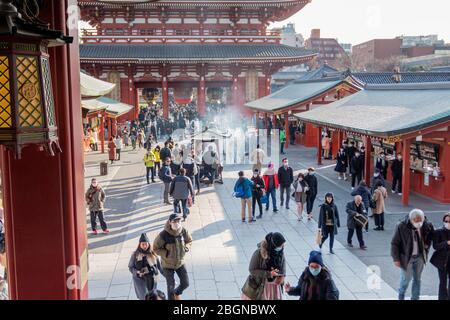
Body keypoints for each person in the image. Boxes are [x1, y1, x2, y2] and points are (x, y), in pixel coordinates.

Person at [391, 209, 434, 300]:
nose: (419, 223)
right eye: (416, 221)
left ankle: (415, 298)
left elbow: (431, 236)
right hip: (407, 257)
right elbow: (395, 243)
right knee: (406, 279)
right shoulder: (401, 226)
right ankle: (401, 294)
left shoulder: (426, 225)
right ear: (411, 219)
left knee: (417, 279)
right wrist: (396, 259)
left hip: (420, 256)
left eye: (420, 220)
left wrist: (427, 246)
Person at [153, 213, 193, 300]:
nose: (176, 223)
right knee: (170, 286)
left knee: (185, 283)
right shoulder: (163, 235)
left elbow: (189, 240)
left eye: (178, 221)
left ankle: (176, 293)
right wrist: (166, 253)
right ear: (170, 222)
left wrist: (187, 247)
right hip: (167, 264)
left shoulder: (183, 231)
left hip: (180, 262)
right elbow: (155, 248)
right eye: (174, 221)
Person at [241, 232, 286, 300]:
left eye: (282, 245)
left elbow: (283, 264)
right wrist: (269, 274)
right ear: (273, 245)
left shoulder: (280, 252)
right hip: (261, 286)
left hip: (275, 287)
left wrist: (283, 276)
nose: (281, 248)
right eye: (280, 246)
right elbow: (252, 270)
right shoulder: (258, 253)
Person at [128, 233, 164, 300]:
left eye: (146, 244)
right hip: (140, 280)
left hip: (152, 279)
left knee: (153, 296)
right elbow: (130, 267)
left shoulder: (153, 254)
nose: (145, 246)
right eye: (143, 244)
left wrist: (168, 276)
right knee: (143, 296)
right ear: (140, 245)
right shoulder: (135, 255)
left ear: (148, 244)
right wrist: (137, 272)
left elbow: (159, 266)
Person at [430, 213, 450, 300]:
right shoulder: (438, 232)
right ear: (443, 222)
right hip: (442, 261)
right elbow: (435, 246)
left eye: (449, 221)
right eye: (446, 221)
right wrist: (446, 243)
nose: (448, 223)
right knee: (443, 282)